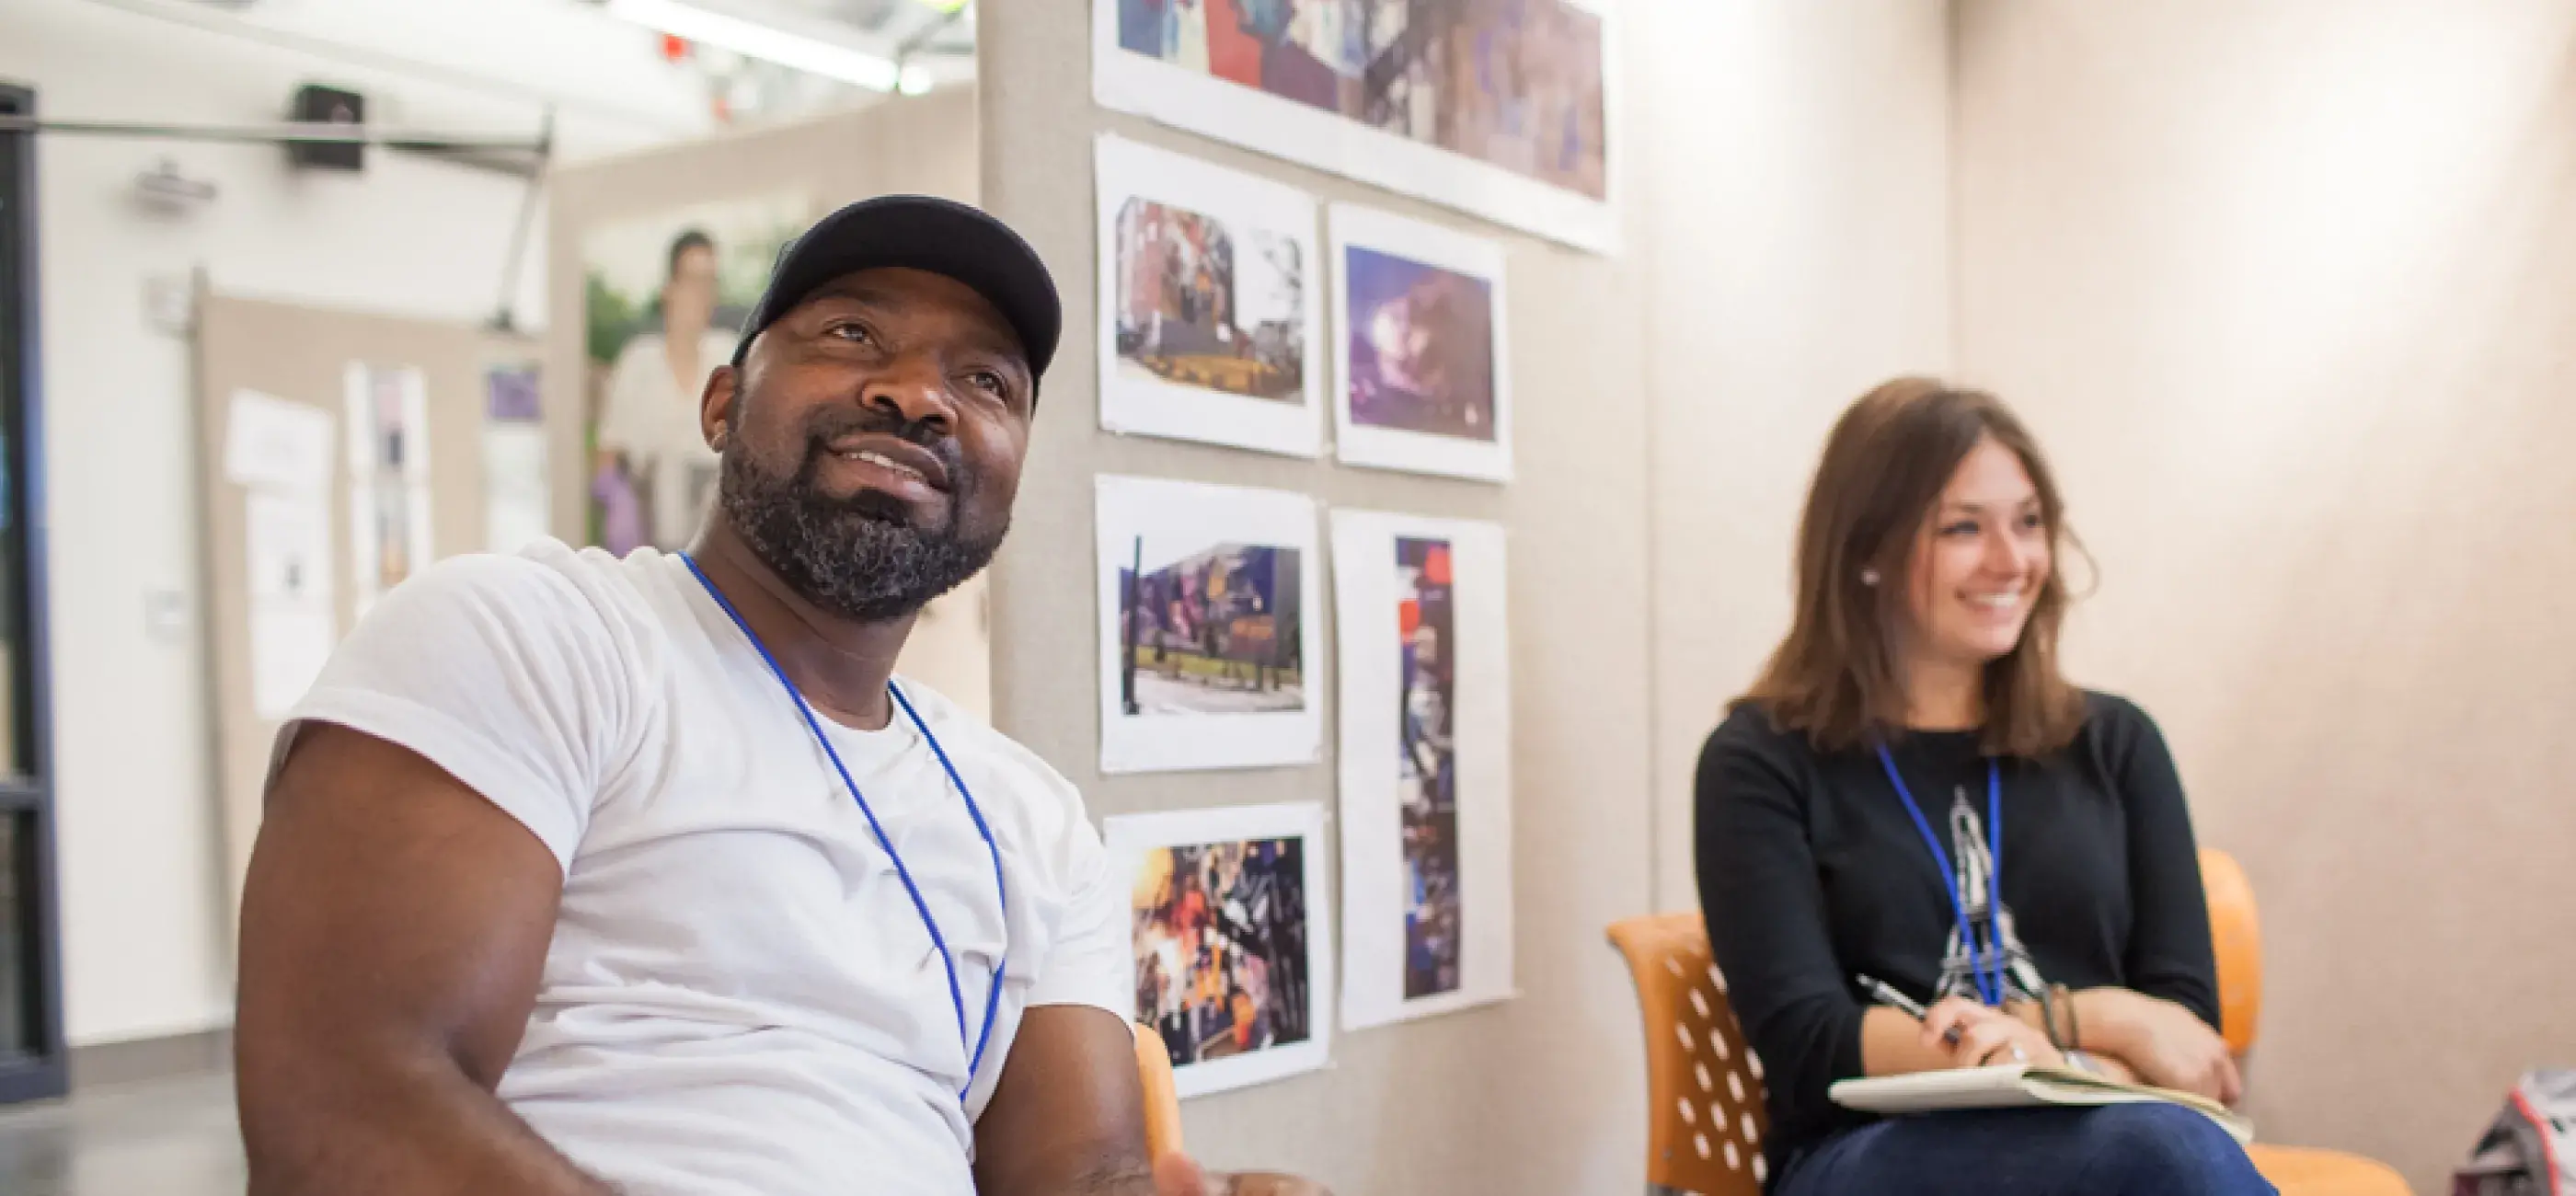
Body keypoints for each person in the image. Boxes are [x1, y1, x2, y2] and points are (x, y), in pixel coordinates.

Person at [236, 196, 1323, 1196]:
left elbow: (1077, 1175)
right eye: (853, 334)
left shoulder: (1031, 823)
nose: (918, 396)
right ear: (721, 403)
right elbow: (348, 1102)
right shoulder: (533, 637)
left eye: (985, 380)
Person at [1696, 378, 2271, 1195]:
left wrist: (2045, 1047)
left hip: (2105, 1124)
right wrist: (2094, 1018)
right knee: (2164, 1155)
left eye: (2029, 523)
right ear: (1866, 551)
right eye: (1963, 527)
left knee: (2159, 1147)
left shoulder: (2117, 744)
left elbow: (2184, 1032)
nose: (2013, 562)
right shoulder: (1760, 760)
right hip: (1870, 1151)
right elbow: (1810, 1043)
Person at [597, 227, 739, 552]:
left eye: (710, 283)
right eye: (693, 281)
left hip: (715, 541)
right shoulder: (638, 362)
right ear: (669, 289)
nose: (701, 295)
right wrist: (616, 500)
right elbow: (607, 455)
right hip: (649, 536)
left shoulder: (727, 355)